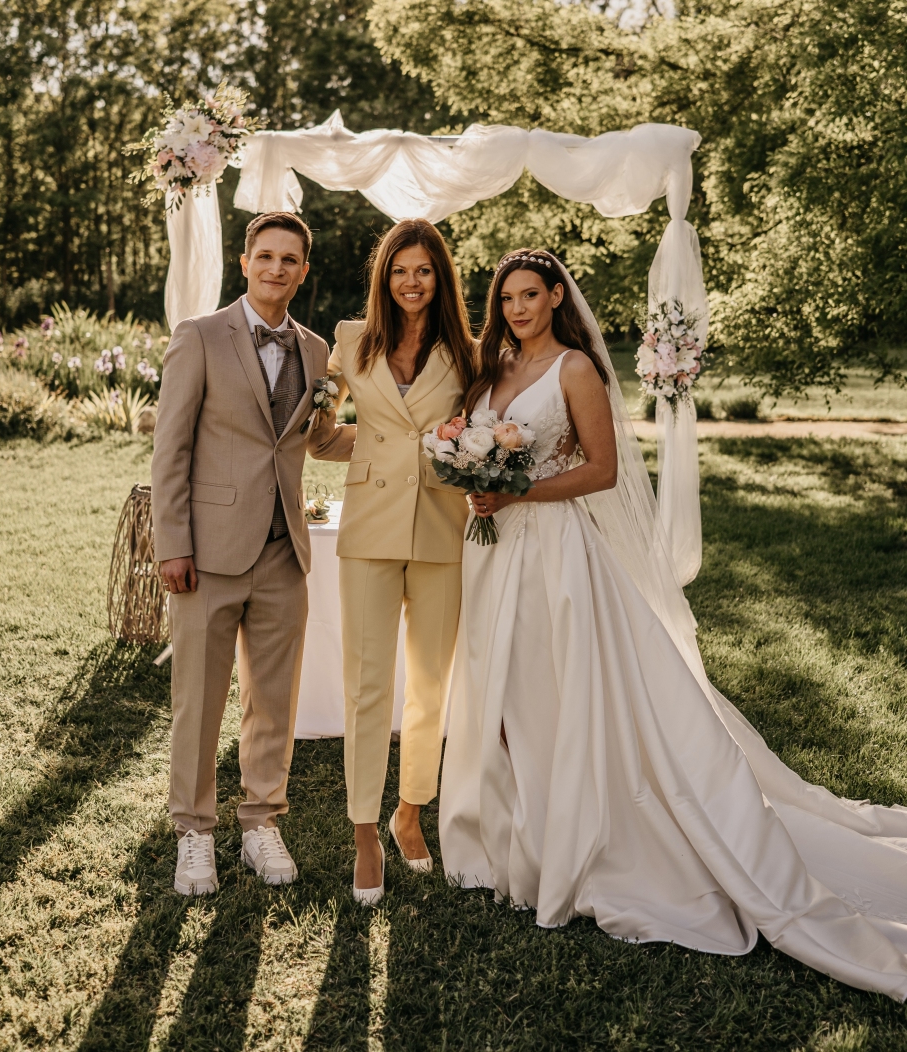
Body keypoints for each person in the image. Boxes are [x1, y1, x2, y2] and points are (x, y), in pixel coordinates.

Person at [439, 248, 907, 999]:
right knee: (503, 696)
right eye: (509, 297)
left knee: (561, 689)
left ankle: (588, 838)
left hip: (558, 554)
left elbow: (602, 470)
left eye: (532, 294)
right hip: (493, 555)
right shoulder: (492, 371)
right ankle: (519, 832)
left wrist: (516, 488)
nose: (520, 307)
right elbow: (471, 436)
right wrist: (471, 471)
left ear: (557, 296)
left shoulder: (575, 370)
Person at [152, 211, 355, 897]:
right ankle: (195, 832)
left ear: (303, 270)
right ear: (245, 264)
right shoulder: (200, 337)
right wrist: (172, 543)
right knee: (199, 699)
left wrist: (399, 433)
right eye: (264, 257)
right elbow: (171, 448)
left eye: (289, 259)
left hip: (283, 552)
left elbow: (318, 441)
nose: (276, 269)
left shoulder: (317, 349)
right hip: (206, 552)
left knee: (274, 699)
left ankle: (260, 821)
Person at [327, 219, 476, 904]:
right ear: (382, 277)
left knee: (430, 685)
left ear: (440, 277)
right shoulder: (351, 341)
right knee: (367, 687)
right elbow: (322, 429)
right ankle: (364, 831)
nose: (411, 282)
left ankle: (410, 810)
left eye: (424, 270)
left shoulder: (471, 354)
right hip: (369, 527)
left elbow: (471, 436)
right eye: (399, 270)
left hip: (443, 529)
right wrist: (363, 445)